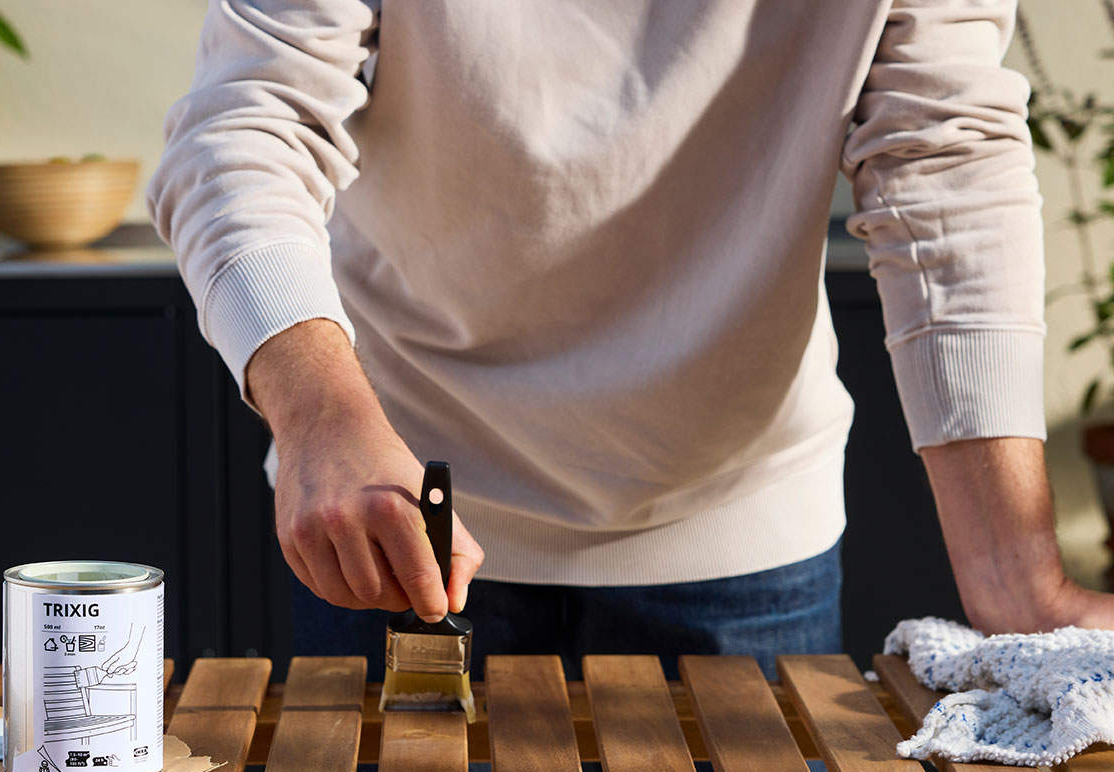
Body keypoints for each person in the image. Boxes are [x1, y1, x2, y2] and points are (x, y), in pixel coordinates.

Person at [147, 0, 1113, 679]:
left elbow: (944, 159)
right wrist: (322, 416)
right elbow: (246, 124)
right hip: (399, 513)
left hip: (743, 529)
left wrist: (1017, 580)